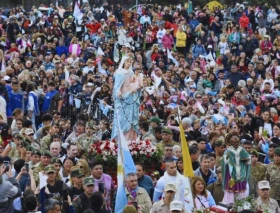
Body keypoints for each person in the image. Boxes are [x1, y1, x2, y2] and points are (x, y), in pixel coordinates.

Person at [111, 56, 143, 141]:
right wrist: (119, 94)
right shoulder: (119, 72)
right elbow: (117, 87)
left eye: (130, 61)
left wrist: (137, 88)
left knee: (132, 118)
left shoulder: (132, 73)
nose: (129, 63)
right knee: (122, 119)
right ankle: (121, 140)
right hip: (123, 98)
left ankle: (131, 140)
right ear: (123, 62)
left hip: (131, 97)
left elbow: (136, 84)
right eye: (127, 61)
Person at [221, 133, 251, 204]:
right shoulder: (228, 151)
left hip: (241, 173)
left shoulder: (242, 150)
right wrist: (228, 159)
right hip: (231, 173)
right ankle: (229, 203)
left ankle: (241, 204)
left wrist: (244, 159)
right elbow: (224, 162)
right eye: (234, 142)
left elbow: (248, 159)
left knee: (241, 191)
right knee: (230, 190)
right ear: (230, 142)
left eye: (237, 142)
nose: (236, 144)